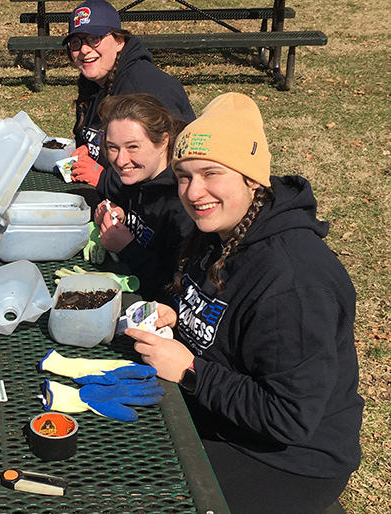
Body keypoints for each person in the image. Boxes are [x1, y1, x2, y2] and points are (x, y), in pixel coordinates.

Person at [126, 93, 363, 514]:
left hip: (286, 460)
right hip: (223, 419)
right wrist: (178, 316)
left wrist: (189, 370)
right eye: (183, 176)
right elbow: (222, 320)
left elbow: (288, 416)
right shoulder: (217, 231)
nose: (193, 191)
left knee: (139, 491)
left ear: (252, 178)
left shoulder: (294, 282)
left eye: (210, 173)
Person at [64, 0, 196, 188]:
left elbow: (169, 172)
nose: (84, 50)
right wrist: (88, 149)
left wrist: (103, 179)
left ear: (119, 42)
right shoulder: (94, 81)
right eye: (76, 42)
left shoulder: (146, 89)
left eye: (95, 38)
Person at [92, 93, 193, 302]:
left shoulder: (184, 204)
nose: (121, 160)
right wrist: (120, 214)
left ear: (164, 141)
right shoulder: (135, 176)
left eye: (133, 147)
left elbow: (176, 290)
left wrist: (127, 248)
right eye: (112, 148)